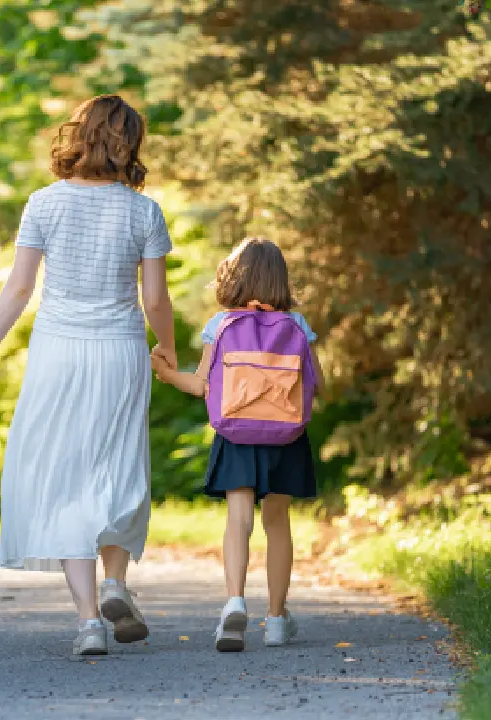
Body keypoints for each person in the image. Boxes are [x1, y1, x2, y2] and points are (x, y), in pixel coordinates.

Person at [0, 94, 177, 656]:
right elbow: (155, 299)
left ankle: (89, 622)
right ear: (130, 143)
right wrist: (170, 351)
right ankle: (115, 581)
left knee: (66, 476)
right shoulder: (144, 211)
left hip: (57, 350)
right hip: (119, 350)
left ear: (76, 136)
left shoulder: (43, 203)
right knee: (119, 464)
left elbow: (18, 287)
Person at [150, 238, 325, 652]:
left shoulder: (222, 324)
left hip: (236, 434)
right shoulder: (296, 325)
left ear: (235, 275)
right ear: (281, 279)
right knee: (278, 523)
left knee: (238, 519)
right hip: (286, 435)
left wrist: (165, 373)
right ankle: (278, 619)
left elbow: (200, 384)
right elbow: (316, 383)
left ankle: (234, 602)